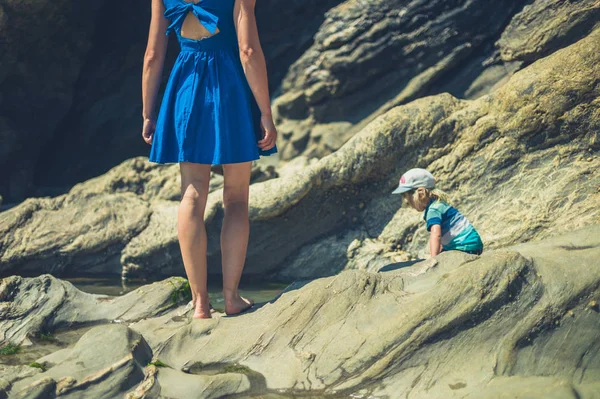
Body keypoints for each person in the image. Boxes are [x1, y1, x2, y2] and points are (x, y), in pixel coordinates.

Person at [141, 0, 277, 318]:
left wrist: (149, 112)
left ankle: (200, 303)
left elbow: (152, 56)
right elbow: (248, 51)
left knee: (192, 192)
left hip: (186, 88)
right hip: (231, 87)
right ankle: (231, 298)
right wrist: (267, 113)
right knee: (237, 198)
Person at [392, 168, 483, 257]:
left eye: (408, 199)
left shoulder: (433, 210)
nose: (408, 203)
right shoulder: (438, 203)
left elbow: (436, 235)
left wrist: (433, 258)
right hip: (471, 244)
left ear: (421, 193)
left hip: (465, 247)